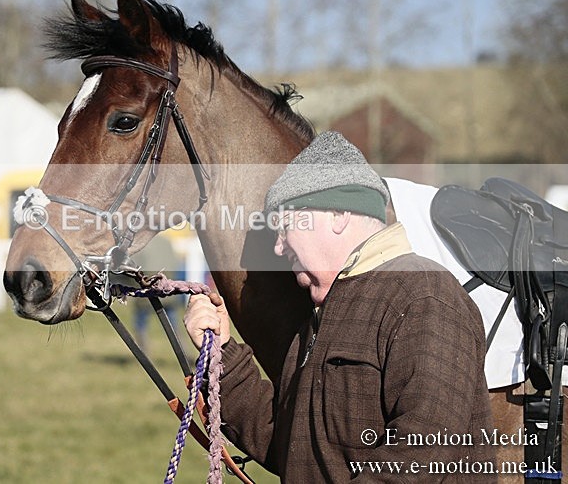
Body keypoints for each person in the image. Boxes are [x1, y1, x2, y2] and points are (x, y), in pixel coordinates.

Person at [184, 131, 496, 482]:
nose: (279, 247)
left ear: (337, 215)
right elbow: (289, 446)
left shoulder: (426, 296)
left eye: (287, 227)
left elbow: (422, 455)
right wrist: (222, 353)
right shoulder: (326, 310)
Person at [130, 233, 185, 354]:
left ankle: (143, 353)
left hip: (147, 293)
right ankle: (184, 352)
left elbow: (135, 267)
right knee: (173, 325)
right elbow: (175, 263)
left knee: (140, 324)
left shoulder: (141, 244)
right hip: (167, 291)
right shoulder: (167, 242)